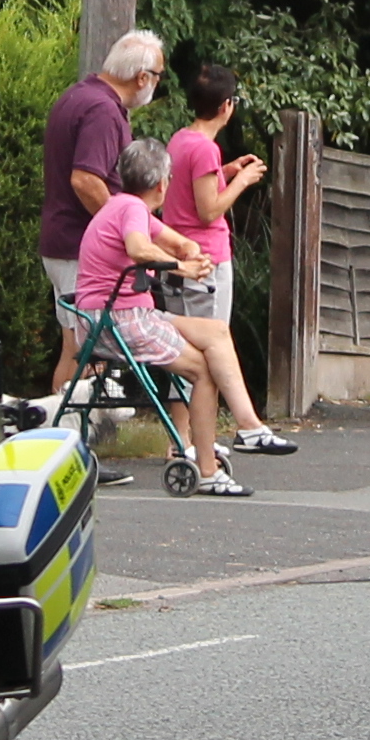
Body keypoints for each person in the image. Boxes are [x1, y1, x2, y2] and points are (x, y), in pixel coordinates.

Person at [73, 139, 258, 492]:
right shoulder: (131, 211)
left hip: (118, 314)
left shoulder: (122, 205)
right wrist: (182, 268)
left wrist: (191, 252)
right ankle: (206, 469)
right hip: (118, 320)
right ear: (162, 184)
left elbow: (173, 239)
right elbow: (139, 248)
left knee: (216, 332)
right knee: (203, 370)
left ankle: (250, 427)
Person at [155, 62, 292, 461]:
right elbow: (209, 209)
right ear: (227, 106)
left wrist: (224, 170)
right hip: (206, 263)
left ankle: (184, 439)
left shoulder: (181, 140)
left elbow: (185, 189)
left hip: (178, 260)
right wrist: (240, 182)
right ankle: (212, 436)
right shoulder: (204, 147)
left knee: (182, 355)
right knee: (211, 353)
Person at [39, 29, 165, 395]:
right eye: (157, 76)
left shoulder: (79, 96)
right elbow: (85, 180)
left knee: (75, 347)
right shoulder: (102, 110)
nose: (155, 85)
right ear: (142, 77)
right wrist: (119, 230)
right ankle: (75, 436)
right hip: (79, 246)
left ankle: (63, 436)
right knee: (88, 350)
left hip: (63, 241)